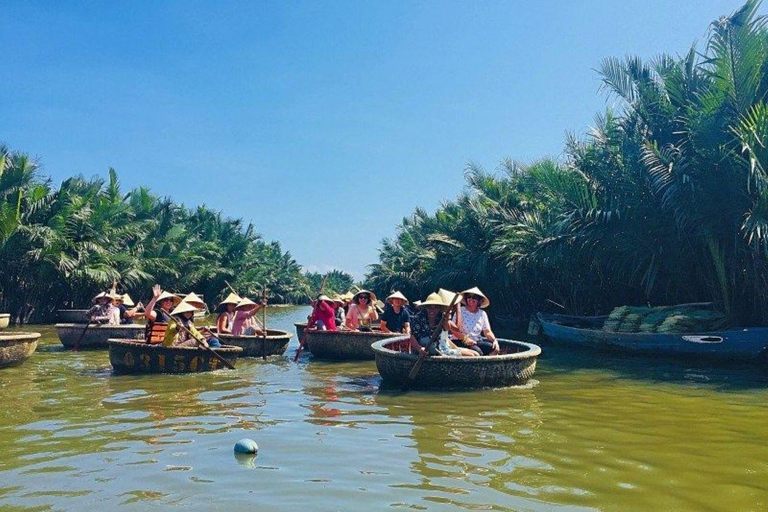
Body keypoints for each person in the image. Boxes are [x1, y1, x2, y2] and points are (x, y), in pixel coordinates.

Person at [408, 293, 477, 357]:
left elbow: (446, 329)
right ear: (426, 307)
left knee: (475, 354)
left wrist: (446, 319)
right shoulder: (418, 318)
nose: (432, 310)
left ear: (439, 308)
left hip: (440, 346)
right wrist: (420, 349)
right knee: (470, 355)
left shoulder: (441, 316)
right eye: (430, 307)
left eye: (436, 307)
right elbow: (412, 336)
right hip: (424, 348)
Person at [453, 287, 499, 355]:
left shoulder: (482, 314)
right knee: (478, 352)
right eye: (469, 297)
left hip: (476, 341)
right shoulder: (460, 311)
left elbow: (487, 331)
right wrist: (466, 339)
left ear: (479, 300)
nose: (471, 299)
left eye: (474, 297)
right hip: (461, 340)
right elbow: (454, 330)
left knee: (491, 347)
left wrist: (495, 341)